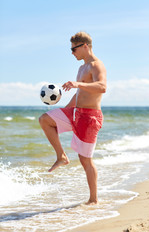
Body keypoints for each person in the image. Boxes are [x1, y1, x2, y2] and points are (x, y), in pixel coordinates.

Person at [39, 31, 107, 204]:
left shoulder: (97, 65)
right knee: (45, 119)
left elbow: (101, 87)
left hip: (90, 117)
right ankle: (61, 156)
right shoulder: (81, 68)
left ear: (85, 46)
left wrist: (78, 84)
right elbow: (79, 94)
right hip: (76, 112)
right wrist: (64, 110)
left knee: (85, 160)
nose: (72, 53)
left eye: (74, 49)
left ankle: (93, 200)